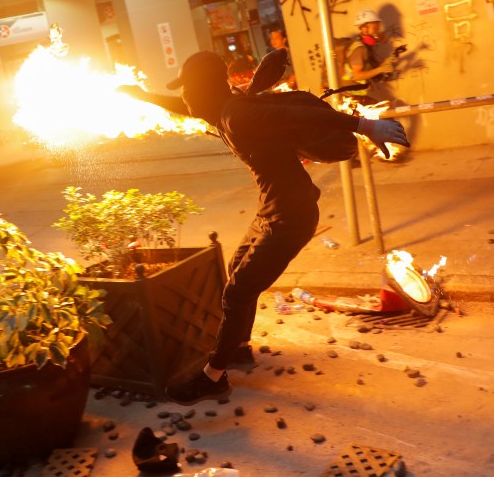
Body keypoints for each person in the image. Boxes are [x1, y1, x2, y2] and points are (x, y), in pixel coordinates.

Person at [118, 52, 409, 405]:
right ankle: (238, 348)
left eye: (187, 89)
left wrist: (367, 126)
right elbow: (182, 107)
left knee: (238, 292)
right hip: (272, 210)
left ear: (204, 88)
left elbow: (298, 113)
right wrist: (141, 95)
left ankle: (213, 377)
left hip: (292, 217)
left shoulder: (239, 115)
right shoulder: (220, 109)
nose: (185, 98)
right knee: (235, 271)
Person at [340, 9, 397, 103]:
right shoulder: (359, 49)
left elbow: (368, 70)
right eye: (375, 29)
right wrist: (381, 69)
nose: (378, 32)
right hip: (349, 97)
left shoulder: (365, 47)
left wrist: (385, 62)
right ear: (364, 28)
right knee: (384, 112)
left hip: (356, 95)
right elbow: (357, 76)